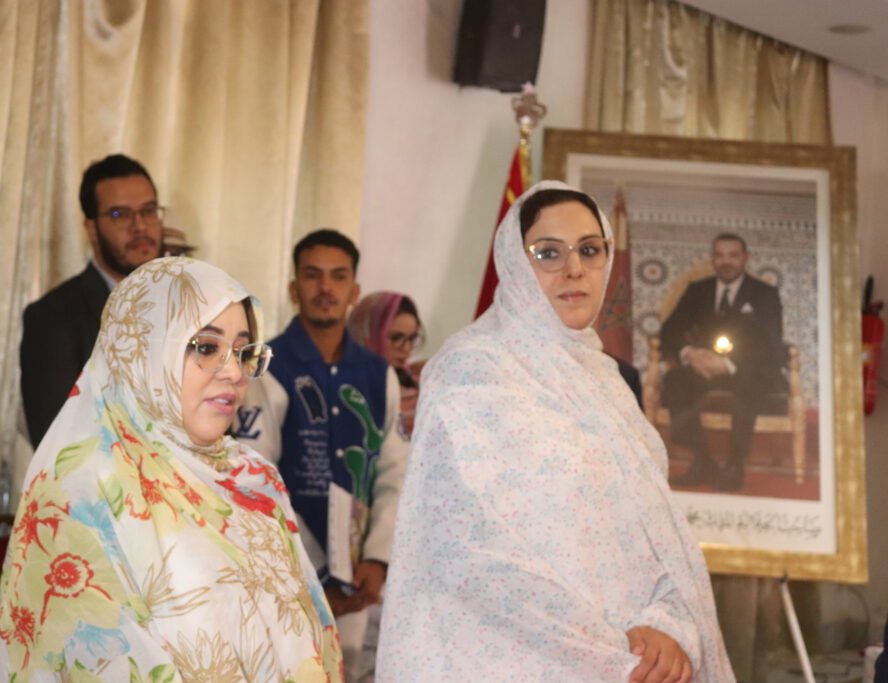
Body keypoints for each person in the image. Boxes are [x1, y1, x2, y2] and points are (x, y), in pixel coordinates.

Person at [378, 181, 733, 682]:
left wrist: (666, 627)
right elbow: (467, 550)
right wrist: (610, 652)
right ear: (513, 263)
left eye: (589, 250)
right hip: (513, 661)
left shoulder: (606, 382)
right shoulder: (472, 370)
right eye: (548, 253)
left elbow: (661, 535)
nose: (574, 269)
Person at [0, 257, 341, 679]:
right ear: (143, 351)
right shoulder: (79, 493)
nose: (234, 373)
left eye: (242, 351)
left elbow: (308, 632)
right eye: (206, 347)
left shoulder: (254, 477)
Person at [234, 229, 408, 681]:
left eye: (338, 277)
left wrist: (377, 559)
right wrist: (309, 573)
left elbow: (395, 473)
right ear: (294, 288)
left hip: (360, 582)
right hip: (286, 575)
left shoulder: (378, 374)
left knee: (350, 670)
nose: (325, 288)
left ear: (354, 290)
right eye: (313, 276)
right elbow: (255, 475)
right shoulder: (266, 366)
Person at [20, 153, 165, 447]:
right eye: (120, 214)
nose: (140, 226)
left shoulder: (186, 304)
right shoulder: (53, 318)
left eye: (148, 211)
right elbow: (56, 445)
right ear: (91, 229)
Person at [660, 232, 786, 491]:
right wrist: (689, 353)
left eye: (733, 255)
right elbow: (669, 330)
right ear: (712, 258)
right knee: (674, 380)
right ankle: (702, 459)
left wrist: (728, 364)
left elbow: (770, 342)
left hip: (746, 369)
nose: (726, 261)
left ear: (745, 258)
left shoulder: (764, 293)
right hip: (703, 369)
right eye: (719, 255)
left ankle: (735, 464)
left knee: (750, 384)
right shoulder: (698, 290)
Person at [347, 291, 424, 437]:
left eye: (412, 338)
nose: (406, 348)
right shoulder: (348, 388)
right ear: (369, 333)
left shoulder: (417, 380)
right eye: (396, 338)